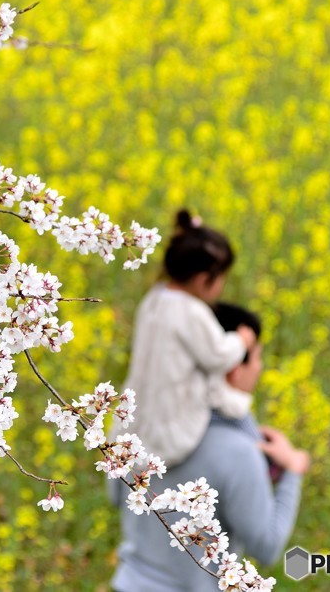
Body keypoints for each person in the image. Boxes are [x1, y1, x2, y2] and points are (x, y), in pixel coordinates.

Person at [109, 305, 310, 592]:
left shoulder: (141, 427)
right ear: (233, 367)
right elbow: (267, 546)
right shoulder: (239, 452)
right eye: (257, 358)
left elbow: (116, 497)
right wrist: (293, 470)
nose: (259, 368)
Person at [116, 210, 257, 465]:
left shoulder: (154, 299)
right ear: (204, 280)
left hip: (140, 412)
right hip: (173, 424)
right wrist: (242, 340)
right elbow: (217, 356)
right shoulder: (192, 311)